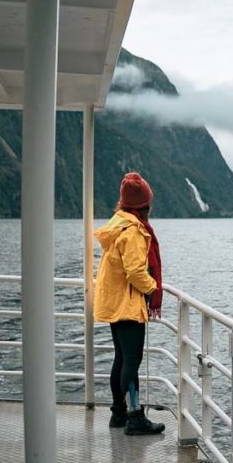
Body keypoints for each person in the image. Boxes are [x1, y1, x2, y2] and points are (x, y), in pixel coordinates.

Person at [93, 171, 165, 435]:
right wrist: (153, 287)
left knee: (121, 358)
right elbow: (135, 272)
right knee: (131, 362)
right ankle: (135, 417)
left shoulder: (117, 223)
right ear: (143, 206)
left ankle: (118, 413)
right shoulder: (133, 232)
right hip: (128, 304)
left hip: (115, 302)